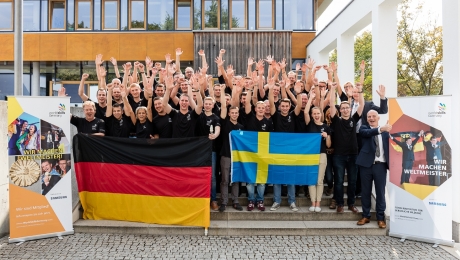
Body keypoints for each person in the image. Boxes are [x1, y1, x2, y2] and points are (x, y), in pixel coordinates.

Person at [328, 81, 364, 214]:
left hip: (353, 155)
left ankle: (351, 203)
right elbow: (332, 104)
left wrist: (359, 91)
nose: (344, 110)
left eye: (346, 108)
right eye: (342, 108)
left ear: (349, 109)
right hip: (339, 155)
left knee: (353, 181)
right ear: (340, 110)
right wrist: (332, 90)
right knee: (338, 181)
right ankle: (340, 204)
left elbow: (361, 105)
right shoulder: (336, 120)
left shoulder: (354, 119)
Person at [268, 77, 302, 212]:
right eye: (282, 105)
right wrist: (271, 89)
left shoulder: (293, 115)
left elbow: (299, 106)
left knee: (290, 178)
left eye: (287, 106)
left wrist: (298, 93)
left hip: (291, 150)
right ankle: (276, 201)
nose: (285, 107)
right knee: (277, 177)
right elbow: (271, 103)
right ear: (280, 106)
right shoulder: (275, 115)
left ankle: (292, 201)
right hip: (277, 150)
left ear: (289, 107)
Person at [356, 110, 391, 229]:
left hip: (380, 165)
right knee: (365, 191)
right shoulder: (364, 128)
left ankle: (380, 218)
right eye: (369, 116)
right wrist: (381, 129)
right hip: (365, 165)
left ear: (378, 118)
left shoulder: (386, 132)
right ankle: (366, 215)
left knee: (380, 192)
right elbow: (367, 133)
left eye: (373, 116)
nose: (371, 118)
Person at [244, 87, 273, 212]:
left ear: (265, 109)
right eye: (259, 107)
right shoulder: (249, 117)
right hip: (249, 154)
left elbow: (271, 138)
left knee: (261, 180)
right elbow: (246, 103)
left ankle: (260, 200)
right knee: (250, 179)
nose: (261, 109)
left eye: (263, 108)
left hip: (263, 154)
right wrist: (251, 88)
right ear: (255, 109)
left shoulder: (269, 122)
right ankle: (251, 200)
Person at [218, 85, 244, 212]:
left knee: (235, 180)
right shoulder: (225, 123)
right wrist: (223, 91)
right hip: (226, 155)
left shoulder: (241, 126)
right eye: (232, 113)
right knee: (224, 180)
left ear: (238, 114)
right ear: (229, 114)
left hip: (237, 157)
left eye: (236, 113)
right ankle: (223, 202)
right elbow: (223, 106)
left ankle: (235, 201)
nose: (234, 114)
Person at [304, 91, 331, 213]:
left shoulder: (326, 127)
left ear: (321, 114)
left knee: (319, 180)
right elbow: (305, 112)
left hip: (322, 155)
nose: (316, 115)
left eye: (318, 113)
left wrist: (327, 136)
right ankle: (312, 203)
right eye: (314, 113)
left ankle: (318, 203)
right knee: (311, 179)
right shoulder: (309, 124)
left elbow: (329, 145)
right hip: (310, 156)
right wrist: (311, 98)